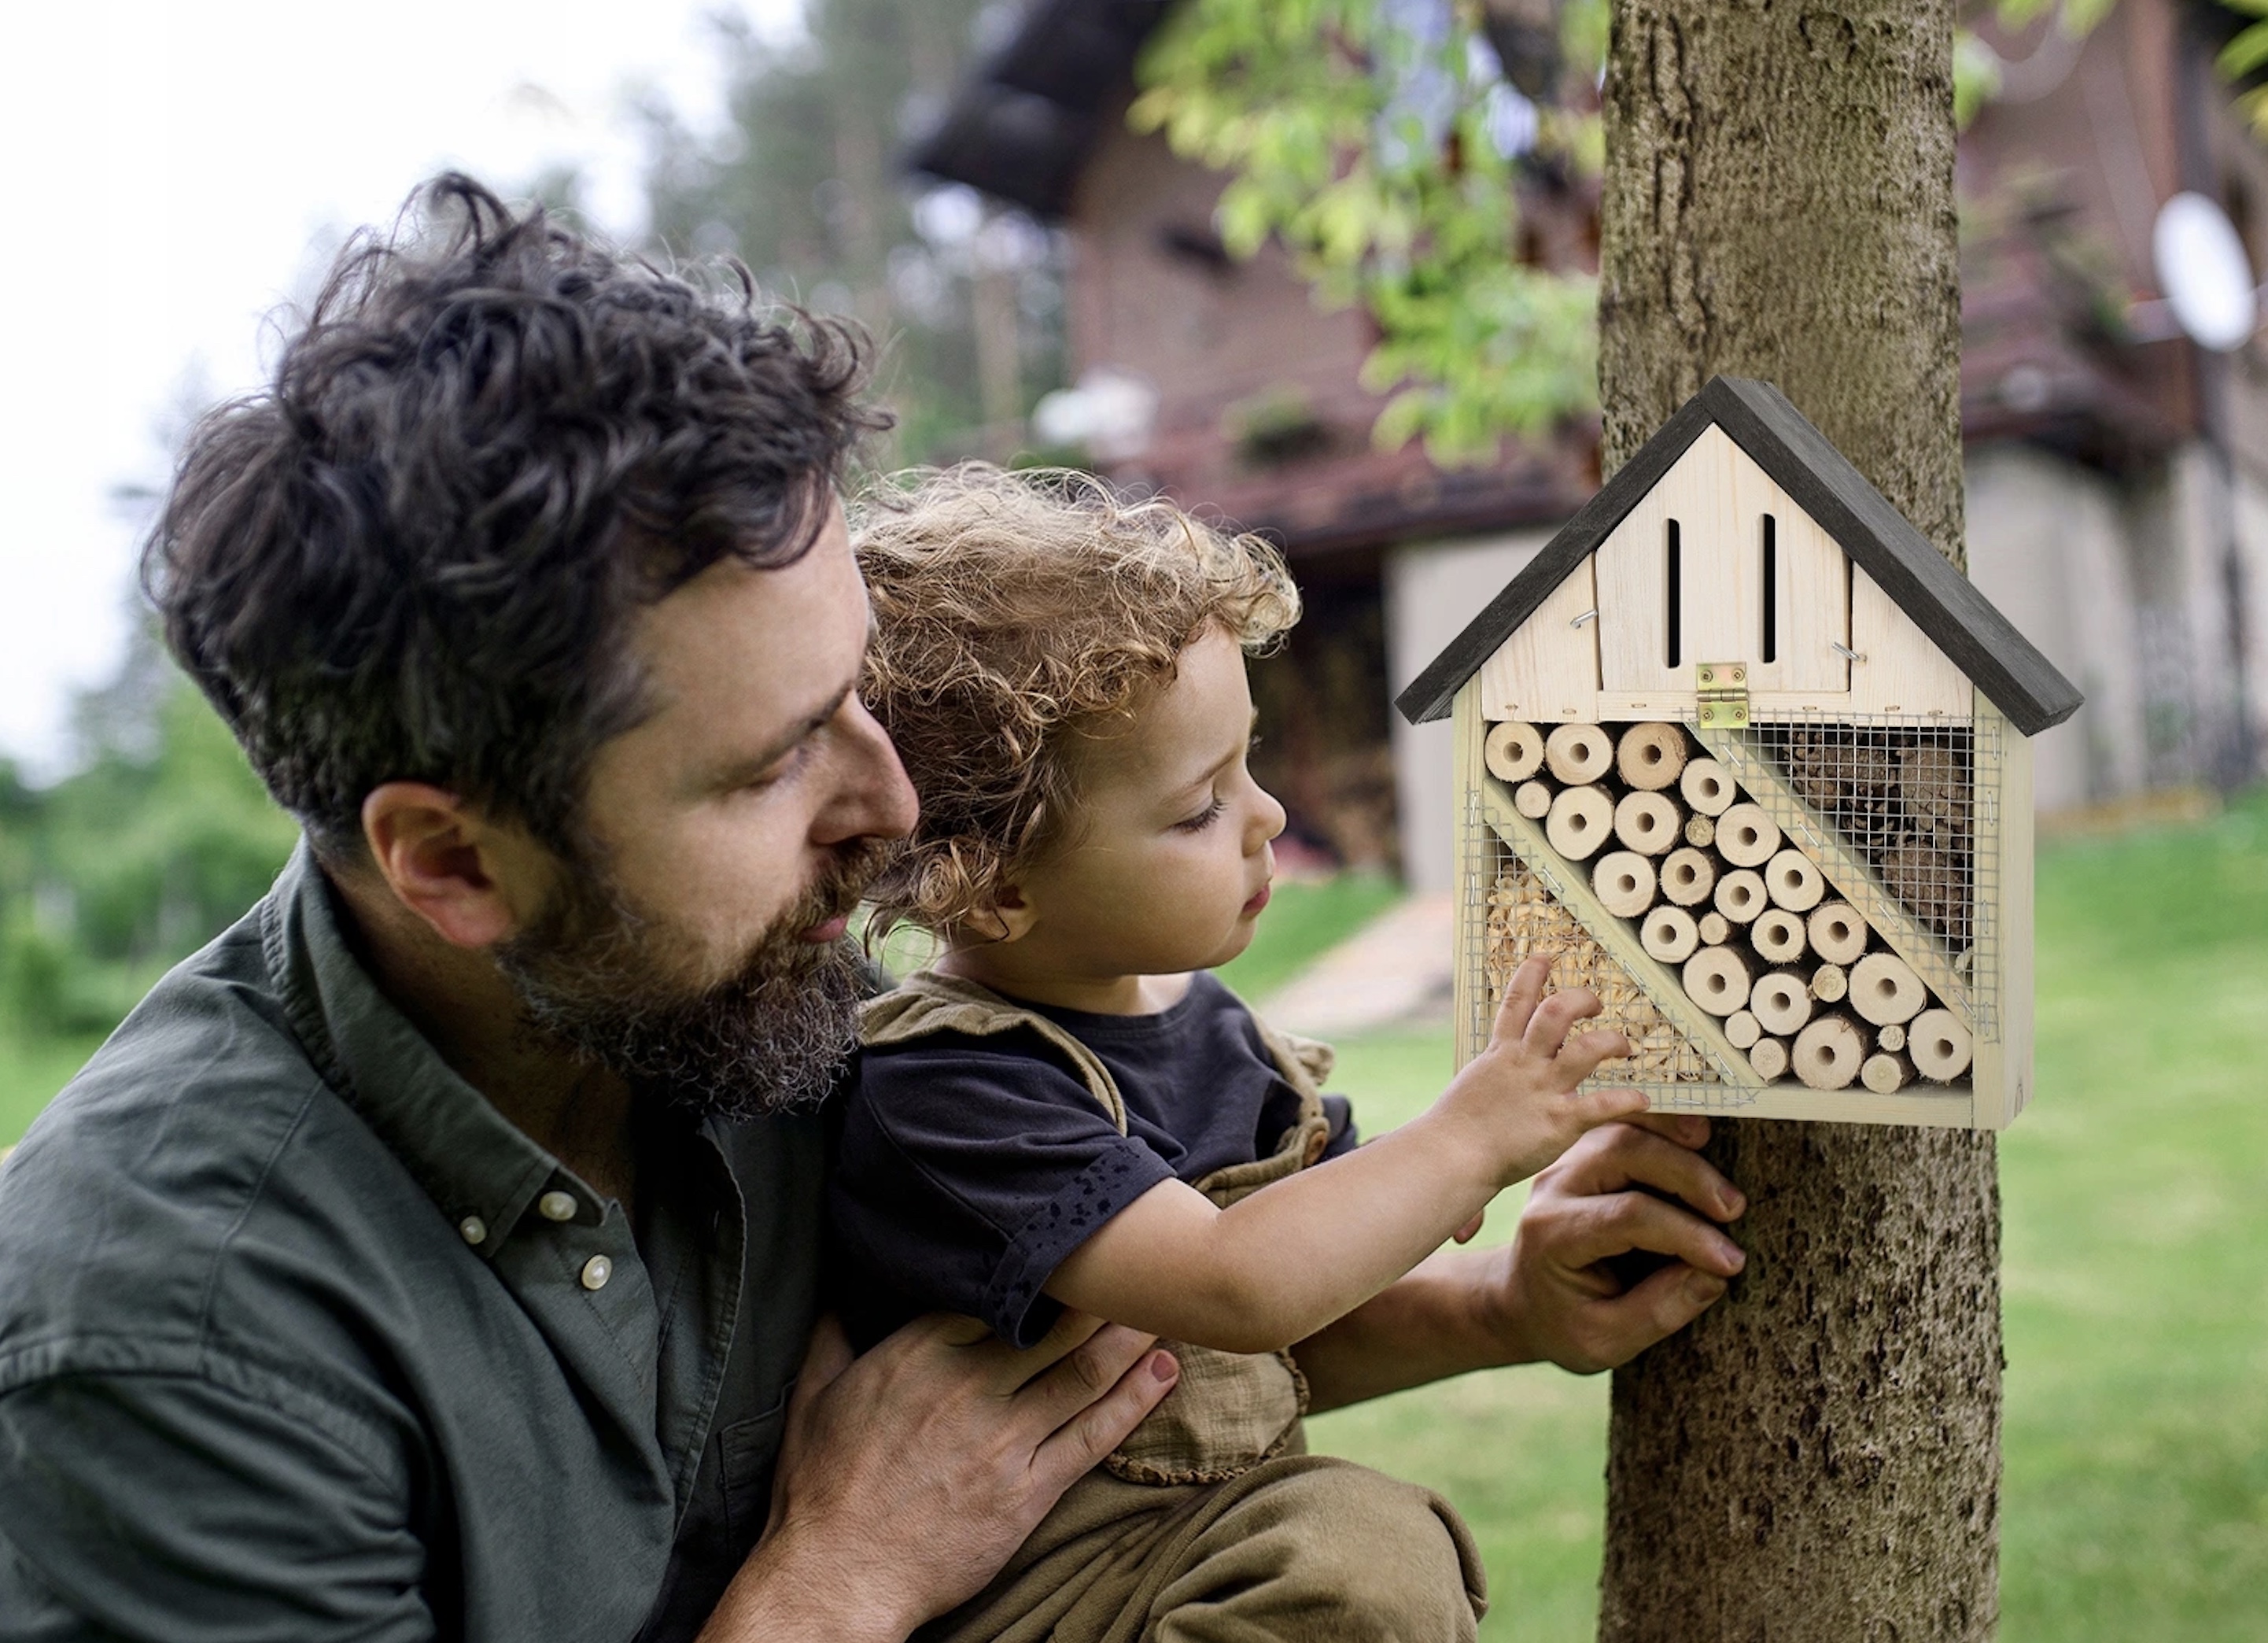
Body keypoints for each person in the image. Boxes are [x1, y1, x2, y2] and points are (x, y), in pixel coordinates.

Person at [0, 178, 1746, 1642]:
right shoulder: (172, 1350)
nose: (897, 815)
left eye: (865, 698)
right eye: (769, 768)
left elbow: (1128, 1369)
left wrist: (1508, 1310)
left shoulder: (770, 1001)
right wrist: (828, 1592)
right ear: (452, 862)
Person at [836, 466, 1655, 1640]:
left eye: (1249, 766)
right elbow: (1237, 1283)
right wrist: (1470, 1139)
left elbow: (1301, 1327)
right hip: (1043, 1598)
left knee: (1359, 1557)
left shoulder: (1222, 1034)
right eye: (1198, 809)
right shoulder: (946, 1088)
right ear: (1000, 885)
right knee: (1353, 1557)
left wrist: (1508, 1303)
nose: (1269, 818)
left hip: (1205, 1563)